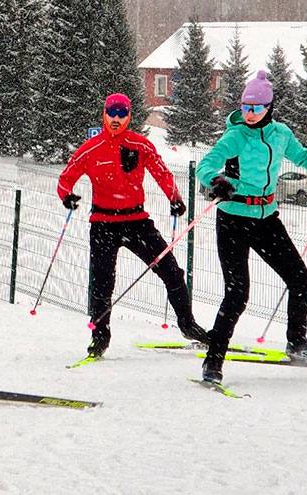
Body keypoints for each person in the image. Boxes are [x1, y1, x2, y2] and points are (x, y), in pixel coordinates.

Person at [196, 70, 307, 383]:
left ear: (269, 107)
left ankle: (297, 343)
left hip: (266, 220)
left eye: (256, 108)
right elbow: (206, 165)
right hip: (233, 218)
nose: (249, 113)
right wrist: (215, 181)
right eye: (246, 107)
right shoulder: (235, 136)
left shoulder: (281, 134)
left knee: (300, 279)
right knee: (237, 294)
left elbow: (302, 157)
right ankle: (213, 362)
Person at [57, 93, 209, 358]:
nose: (116, 119)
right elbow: (65, 177)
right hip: (103, 223)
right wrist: (66, 196)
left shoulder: (140, 145)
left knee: (172, 272)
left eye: (121, 114)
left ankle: (188, 325)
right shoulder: (91, 148)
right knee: (102, 283)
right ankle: (100, 337)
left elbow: (162, 171)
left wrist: (174, 198)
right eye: (111, 114)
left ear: (129, 116)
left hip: (137, 222)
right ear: (104, 114)